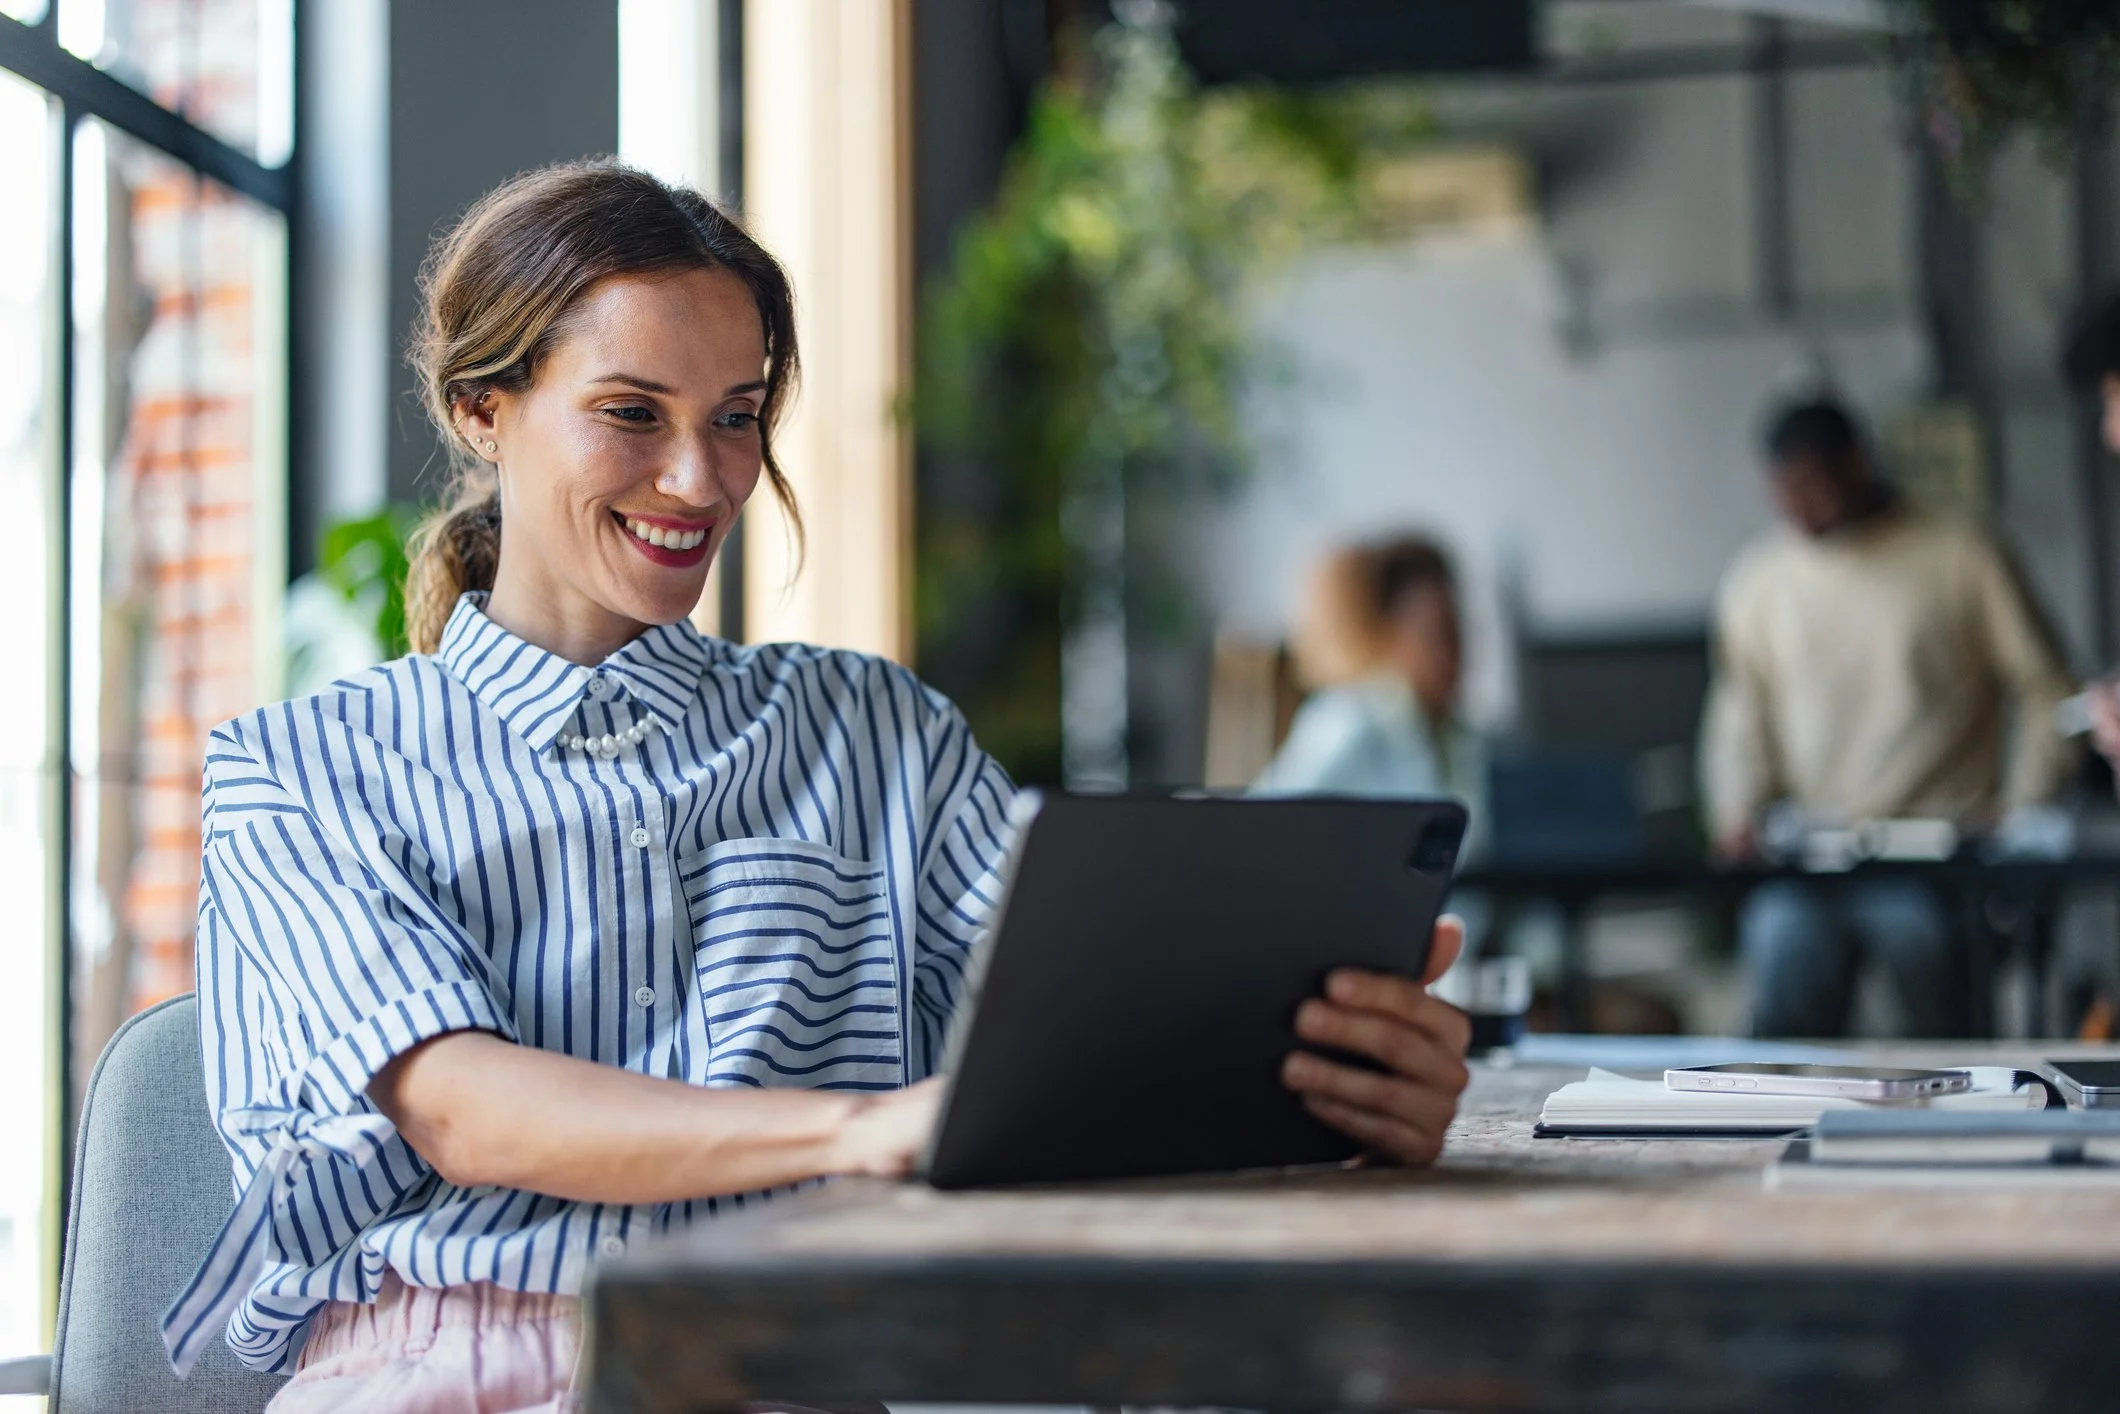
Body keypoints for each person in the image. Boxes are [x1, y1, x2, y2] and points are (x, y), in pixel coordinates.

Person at [158, 162, 1474, 1412]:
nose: (702, 477)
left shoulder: (871, 735)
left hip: (777, 1370)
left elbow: (1093, 1040)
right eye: (633, 413)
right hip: (440, 1371)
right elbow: (458, 1102)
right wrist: (861, 1128)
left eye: (737, 416)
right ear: (481, 410)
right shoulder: (298, 772)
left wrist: (1327, 1090)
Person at [1701, 397, 2077, 1038]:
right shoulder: (1759, 581)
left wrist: (2021, 806)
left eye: (1811, 485)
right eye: (1783, 492)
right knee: (1779, 1013)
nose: (1797, 507)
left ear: (1856, 465)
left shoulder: (1960, 555)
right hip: (1809, 855)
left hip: (1933, 854)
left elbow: (2048, 687)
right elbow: (1740, 713)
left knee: (1943, 1032)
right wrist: (1736, 811)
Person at [1254, 537, 1487, 832]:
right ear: (1387, 637)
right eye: (1437, 634)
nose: (1455, 653)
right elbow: (1262, 827)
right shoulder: (1346, 727)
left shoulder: (1461, 739)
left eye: (1459, 631)